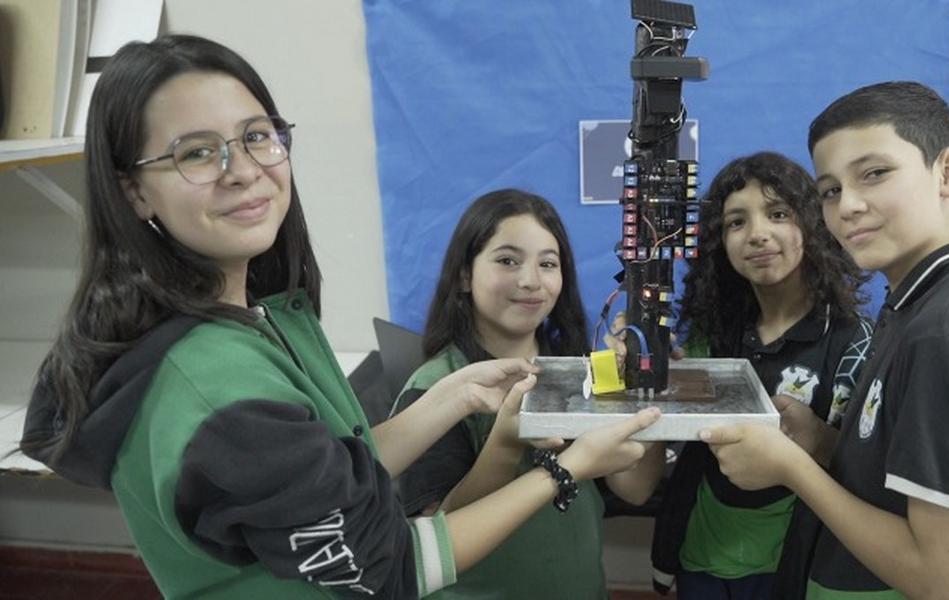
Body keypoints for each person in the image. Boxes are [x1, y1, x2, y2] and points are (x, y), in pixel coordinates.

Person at [18, 35, 659, 599]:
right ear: (132, 189)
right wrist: (566, 469)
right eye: (195, 152)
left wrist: (456, 396)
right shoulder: (215, 389)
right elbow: (392, 568)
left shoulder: (260, 322)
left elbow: (328, 476)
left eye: (256, 137)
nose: (243, 171)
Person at [702, 82, 949, 600]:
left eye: (874, 174)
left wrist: (790, 467)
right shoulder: (914, 308)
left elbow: (943, 581)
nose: (848, 206)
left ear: (948, 172)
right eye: (830, 190)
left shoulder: (947, 335)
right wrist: (823, 442)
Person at [392, 189, 665, 599]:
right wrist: (505, 447)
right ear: (465, 275)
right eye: (507, 260)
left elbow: (636, 488)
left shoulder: (582, 368)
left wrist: (646, 387)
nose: (530, 280)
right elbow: (439, 538)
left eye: (548, 264)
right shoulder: (435, 390)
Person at [651, 151, 874, 599]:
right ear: (719, 243)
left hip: (793, 567)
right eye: (736, 222)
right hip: (702, 556)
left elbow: (868, 476)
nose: (757, 235)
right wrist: (651, 369)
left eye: (778, 214)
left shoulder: (853, 342)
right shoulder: (708, 338)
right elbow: (665, 432)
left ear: (812, 225)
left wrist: (819, 439)